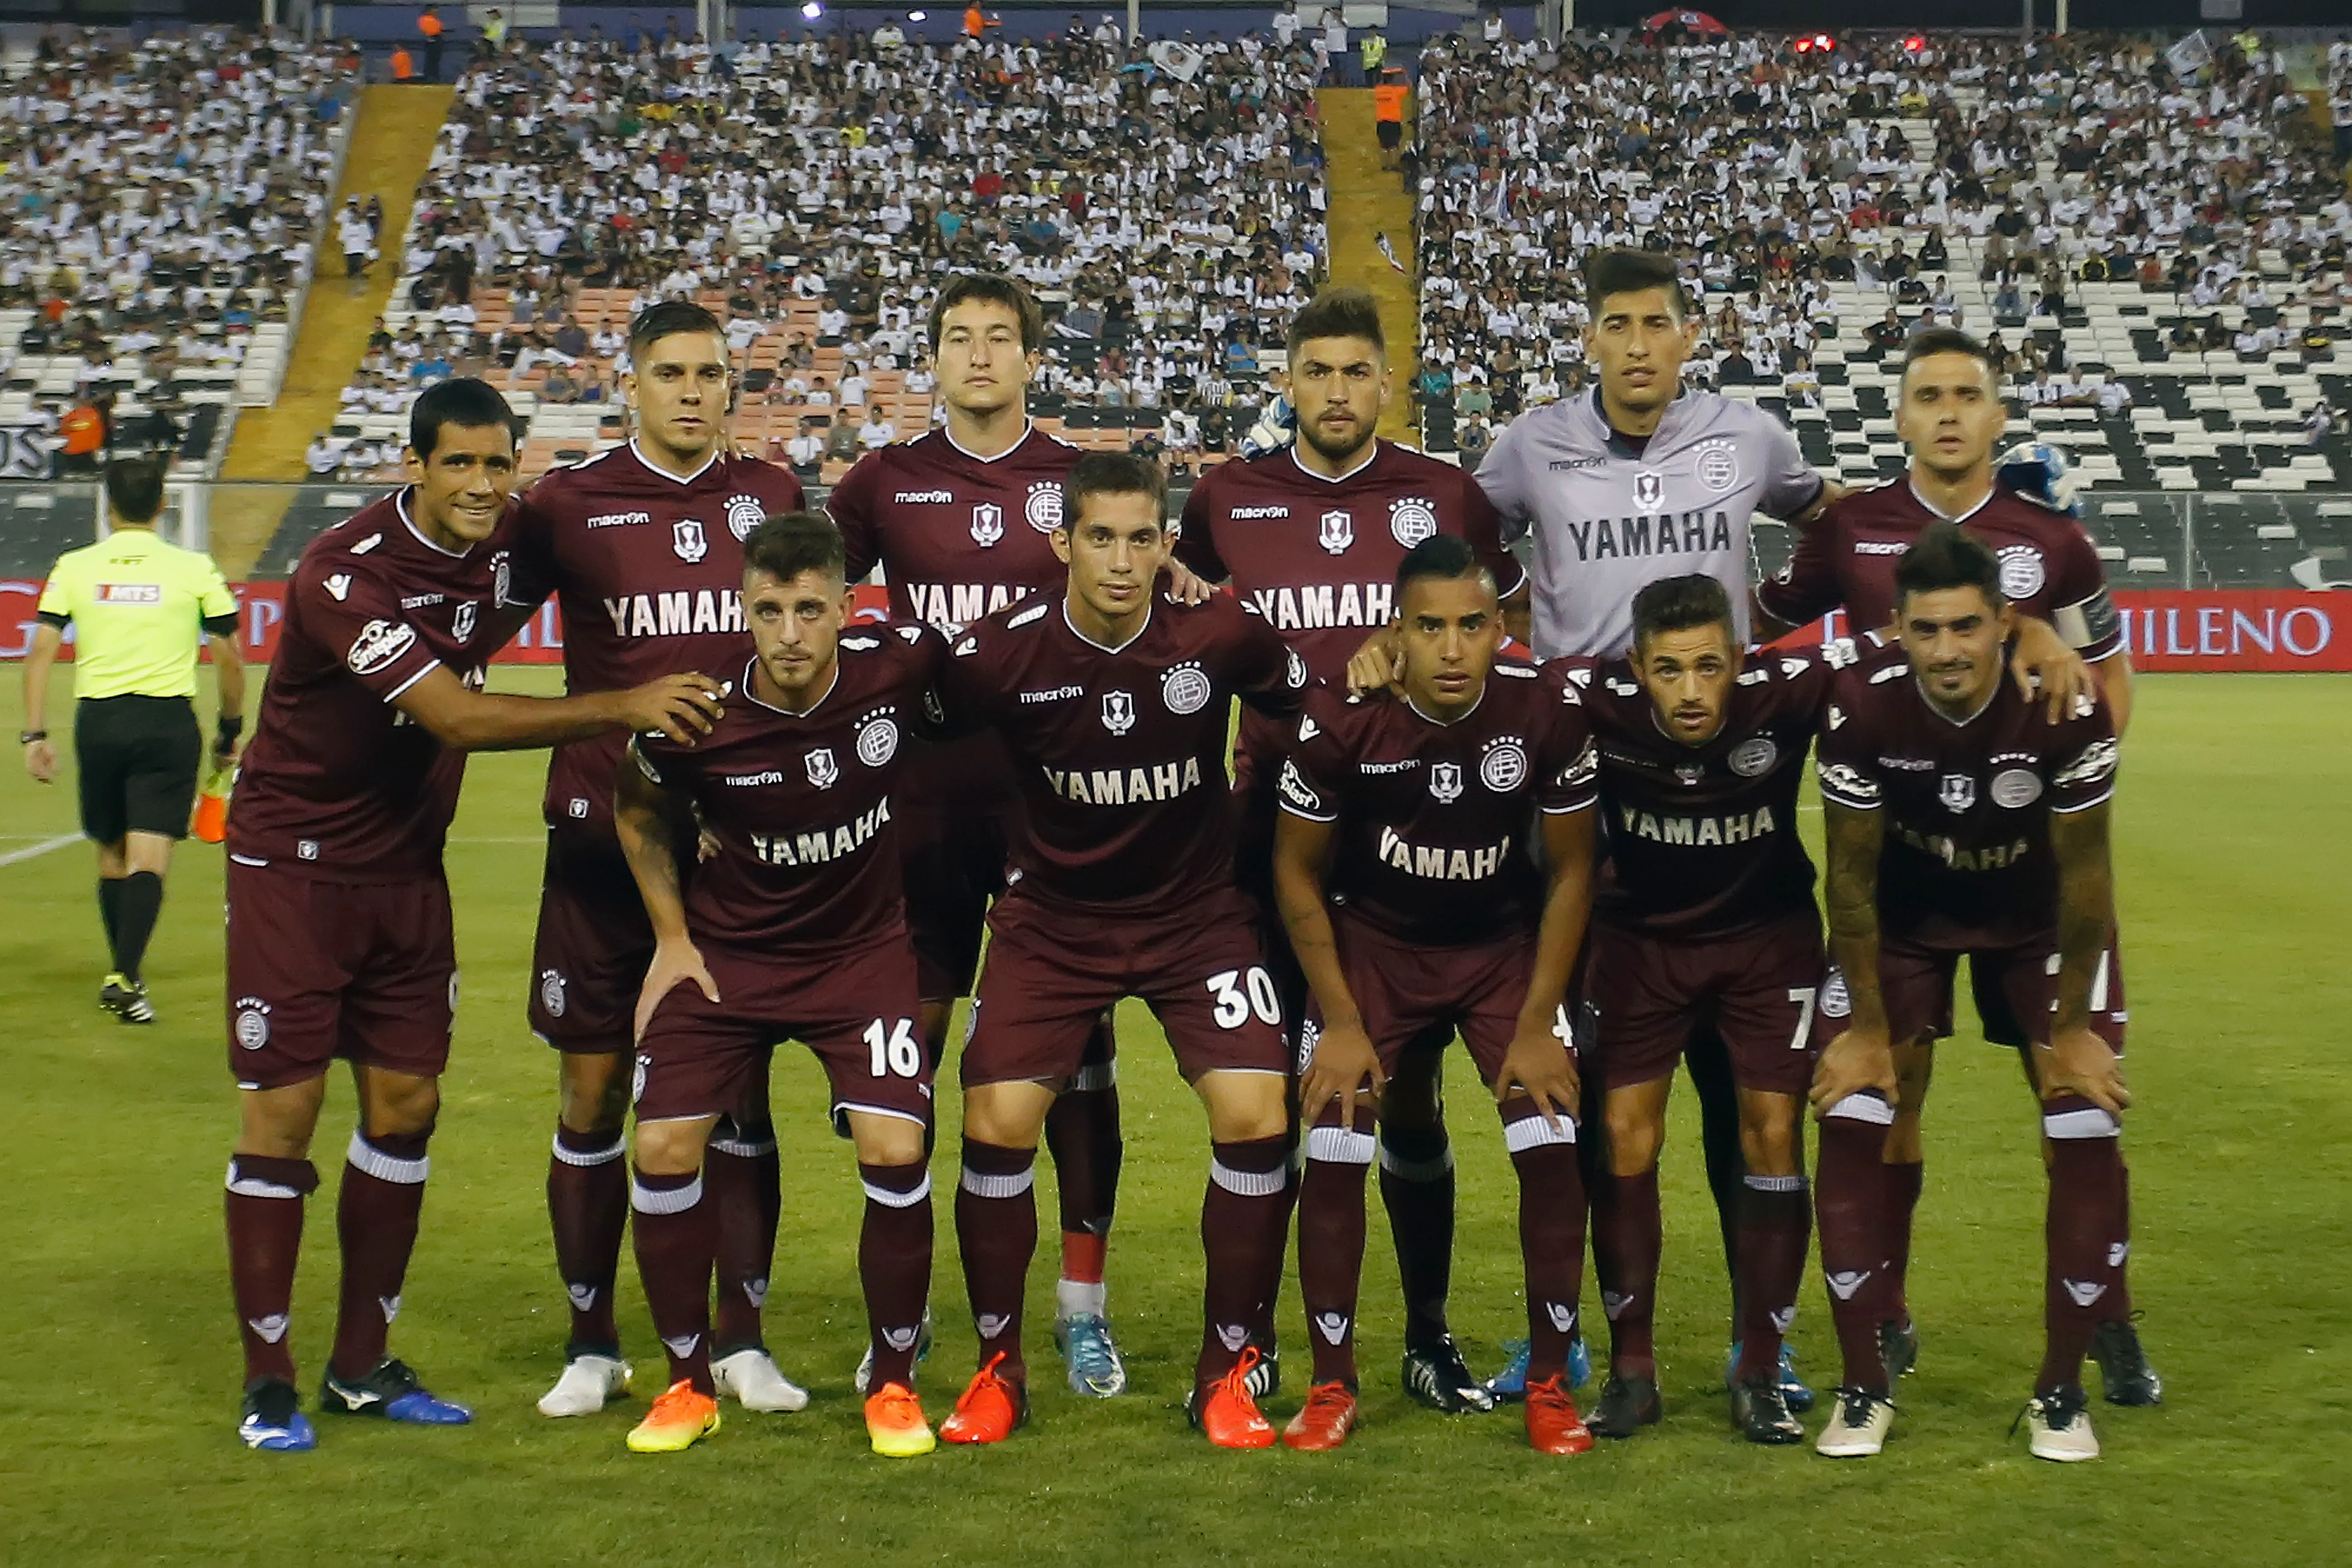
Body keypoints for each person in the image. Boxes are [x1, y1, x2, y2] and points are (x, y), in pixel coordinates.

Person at [220, 378, 726, 1453]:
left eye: (500, 465)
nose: (484, 485)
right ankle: (269, 1377)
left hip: (408, 863)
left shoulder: (503, 550)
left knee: (406, 1104)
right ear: (415, 465)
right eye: (460, 464)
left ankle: (361, 1362)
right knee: (285, 1114)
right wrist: (621, 703)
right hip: (294, 867)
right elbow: (448, 714)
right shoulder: (341, 574)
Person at [1441, 246, 1839, 1410]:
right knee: (1586, 1093)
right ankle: (1563, 1336)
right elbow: (1464, 537)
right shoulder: (1528, 443)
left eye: (1653, 323)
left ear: (1684, 334)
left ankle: (1756, 1341)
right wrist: (1513, 626)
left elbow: (1833, 521)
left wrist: (1779, 615)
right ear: (1587, 338)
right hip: (1584, 782)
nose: (1632, 343)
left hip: (1720, 782)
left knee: (1740, 1098)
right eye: (1613, 323)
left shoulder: (1748, 438)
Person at [1756, 329, 2158, 1410]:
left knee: (2068, 1083)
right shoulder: (1849, 526)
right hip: (1904, 874)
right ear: (1896, 416)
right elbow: (1767, 627)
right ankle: (1882, 1308)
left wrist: (2062, 743)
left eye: (1965, 396)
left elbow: (2107, 676)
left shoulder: (2053, 540)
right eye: (1925, 395)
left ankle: (2105, 1313)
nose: (1945, 413)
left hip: (2029, 869)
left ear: (1996, 415)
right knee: (1893, 1084)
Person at [827, 274, 1206, 1399]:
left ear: (1034, 358)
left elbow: (1153, 583)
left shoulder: (1078, 483)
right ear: (932, 357)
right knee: (908, 1055)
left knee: (1074, 1064)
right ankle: (903, 1313)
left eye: (1001, 338)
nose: (980, 354)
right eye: (958, 338)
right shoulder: (884, 479)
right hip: (920, 810)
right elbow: (797, 589)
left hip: (1056, 812)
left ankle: (1079, 1309)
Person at [1177, 287, 1528, 1411]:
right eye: (1314, 370)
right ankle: (1261, 1337)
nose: (1334, 390)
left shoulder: (1443, 491)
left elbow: (1495, 619)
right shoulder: (1227, 496)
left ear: (1389, 383)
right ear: (1287, 382)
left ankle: (1425, 1333)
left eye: (1354, 371)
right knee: (1281, 1093)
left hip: (1408, 832)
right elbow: (1184, 604)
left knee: (1409, 1097)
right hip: (1268, 832)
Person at [929, 451, 1308, 1450]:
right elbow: (897, 722)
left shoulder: (1218, 632)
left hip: (1196, 919)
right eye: (1101, 536)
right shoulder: (996, 653)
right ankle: (999, 1370)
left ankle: (1225, 1373)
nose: (1122, 558)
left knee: (1257, 1109)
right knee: (998, 1118)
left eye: (1143, 538)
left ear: (1167, 545)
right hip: (1053, 922)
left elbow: (1301, 708)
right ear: (1063, 544)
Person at [504, 303, 808, 1421]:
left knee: (734, 1094)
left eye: (711, 373)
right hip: (597, 840)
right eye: (670, 372)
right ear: (629, 383)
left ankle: (741, 1338)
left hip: (730, 848)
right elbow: (473, 638)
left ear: (735, 387)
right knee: (590, 1094)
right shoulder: (564, 506)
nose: (692, 390)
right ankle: (592, 1342)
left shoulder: (770, 496)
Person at [612, 512, 947, 1458]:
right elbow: (633, 806)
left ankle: (892, 1382)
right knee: (666, 1145)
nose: (791, 633)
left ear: (847, 607)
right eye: (770, 611)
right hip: (729, 959)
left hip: (861, 958)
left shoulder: (897, 666)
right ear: (744, 610)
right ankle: (685, 1382)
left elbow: (992, 686)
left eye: (810, 609)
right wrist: (671, 937)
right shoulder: (697, 709)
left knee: (894, 1144)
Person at [1811, 523, 2130, 1464]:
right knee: (1852, 1109)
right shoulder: (1861, 705)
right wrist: (1867, 1028)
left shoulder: (2066, 709)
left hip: (2035, 922)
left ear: (2004, 622)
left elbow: (2086, 884)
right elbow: (1853, 882)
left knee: (2083, 1116)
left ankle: (2063, 1394)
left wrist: (2070, 1030)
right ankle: (1865, 1386)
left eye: (1964, 628)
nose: (1946, 651)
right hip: (1907, 920)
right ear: (1898, 632)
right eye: (1925, 631)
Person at [1274, 535, 1600, 1455]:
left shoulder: (1545, 713)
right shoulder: (1343, 724)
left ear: (1501, 628)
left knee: (1550, 1131)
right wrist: (1339, 1020)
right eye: (1430, 628)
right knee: (1335, 1130)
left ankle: (1548, 1385)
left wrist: (1538, 1022)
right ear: (1398, 634)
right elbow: (1295, 876)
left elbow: (1574, 873)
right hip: (1375, 948)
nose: (1452, 648)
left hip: (1500, 950)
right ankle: (1332, 1385)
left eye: (1470, 626)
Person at [1575, 574, 1839, 1446]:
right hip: (1638, 946)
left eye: (1706, 668)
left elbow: (1899, 651)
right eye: (1666, 671)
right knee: (1623, 1137)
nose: (1689, 692)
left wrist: (2030, 633)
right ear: (1634, 667)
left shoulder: (1786, 688)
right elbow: (1481, 675)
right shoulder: (1591, 698)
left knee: (1771, 1132)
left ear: (1737, 658)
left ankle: (1759, 1368)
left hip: (1764, 944)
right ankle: (1631, 1370)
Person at [22, 456, 244, 1023]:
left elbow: (42, 650)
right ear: (165, 504)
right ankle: (125, 974)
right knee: (150, 856)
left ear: (108, 505)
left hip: (99, 723)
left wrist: (35, 733)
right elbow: (227, 656)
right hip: (167, 724)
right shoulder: (194, 568)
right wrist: (230, 728)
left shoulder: (74, 566)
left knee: (111, 853)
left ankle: (125, 973)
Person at [417, 4, 444, 81]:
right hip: (433, 40)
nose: (437, 11)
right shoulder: (426, 19)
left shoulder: (434, 19)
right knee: (432, 60)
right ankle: (431, 77)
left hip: (436, 39)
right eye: (435, 9)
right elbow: (429, 31)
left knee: (435, 60)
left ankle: (434, 77)